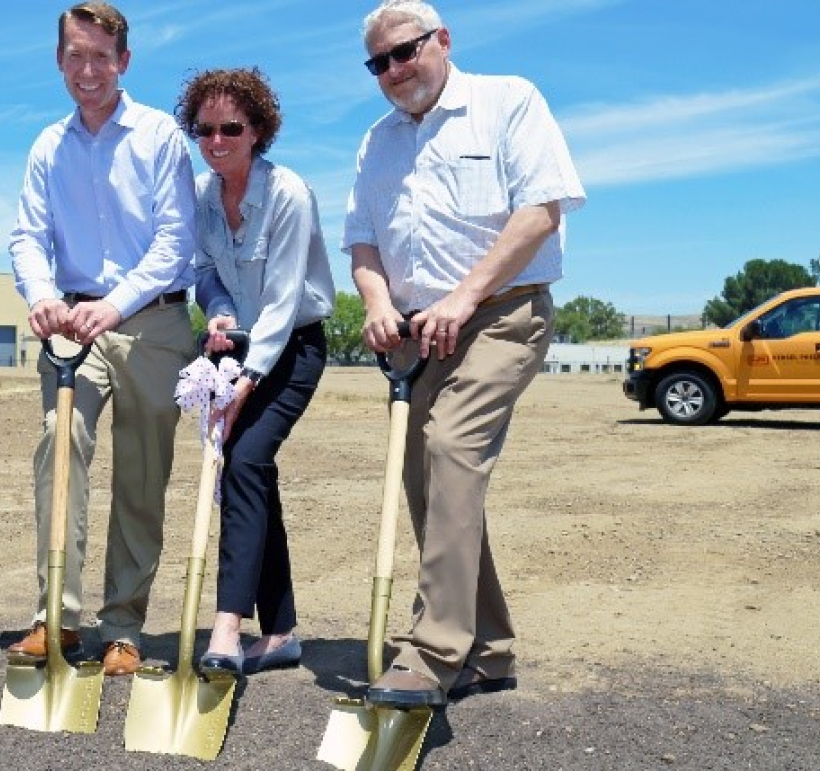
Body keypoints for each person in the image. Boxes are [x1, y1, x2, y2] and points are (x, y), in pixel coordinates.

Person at [345, 0, 585, 708]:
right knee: (430, 480)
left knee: (451, 449)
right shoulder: (377, 141)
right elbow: (362, 239)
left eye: (405, 52)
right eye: (379, 62)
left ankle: (432, 650)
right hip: (421, 334)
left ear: (442, 41)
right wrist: (377, 302)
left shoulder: (508, 102)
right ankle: (489, 647)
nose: (393, 70)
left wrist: (463, 296)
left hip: (503, 314)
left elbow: (542, 209)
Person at [7, 2, 197, 677]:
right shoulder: (46, 147)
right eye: (74, 56)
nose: (87, 70)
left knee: (142, 475)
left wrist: (115, 305)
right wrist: (42, 296)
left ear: (124, 61)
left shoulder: (160, 137)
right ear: (59, 60)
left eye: (100, 56)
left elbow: (177, 241)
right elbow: (28, 237)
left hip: (153, 322)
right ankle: (56, 615)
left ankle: (123, 624)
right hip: (73, 328)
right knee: (59, 447)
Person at [173, 68, 334, 676]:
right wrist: (215, 314)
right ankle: (283, 631)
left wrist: (246, 379)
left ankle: (225, 628)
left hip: (292, 349)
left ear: (258, 129)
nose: (217, 140)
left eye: (231, 128)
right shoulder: (204, 196)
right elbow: (206, 273)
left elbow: (286, 297)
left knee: (243, 463)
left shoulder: (288, 193)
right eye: (205, 129)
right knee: (252, 477)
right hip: (239, 350)